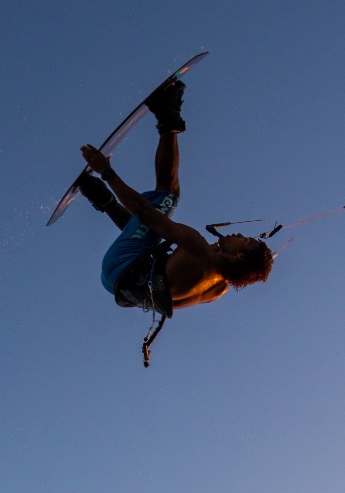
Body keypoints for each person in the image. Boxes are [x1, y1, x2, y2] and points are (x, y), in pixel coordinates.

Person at [76, 78, 273, 325]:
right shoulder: (217, 290)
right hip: (116, 285)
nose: (241, 234)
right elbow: (147, 236)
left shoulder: (197, 248)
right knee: (152, 234)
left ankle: (167, 116)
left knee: (168, 196)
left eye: (245, 240)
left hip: (122, 266)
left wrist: (106, 171)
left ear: (239, 258)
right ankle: (100, 198)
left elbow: (145, 214)